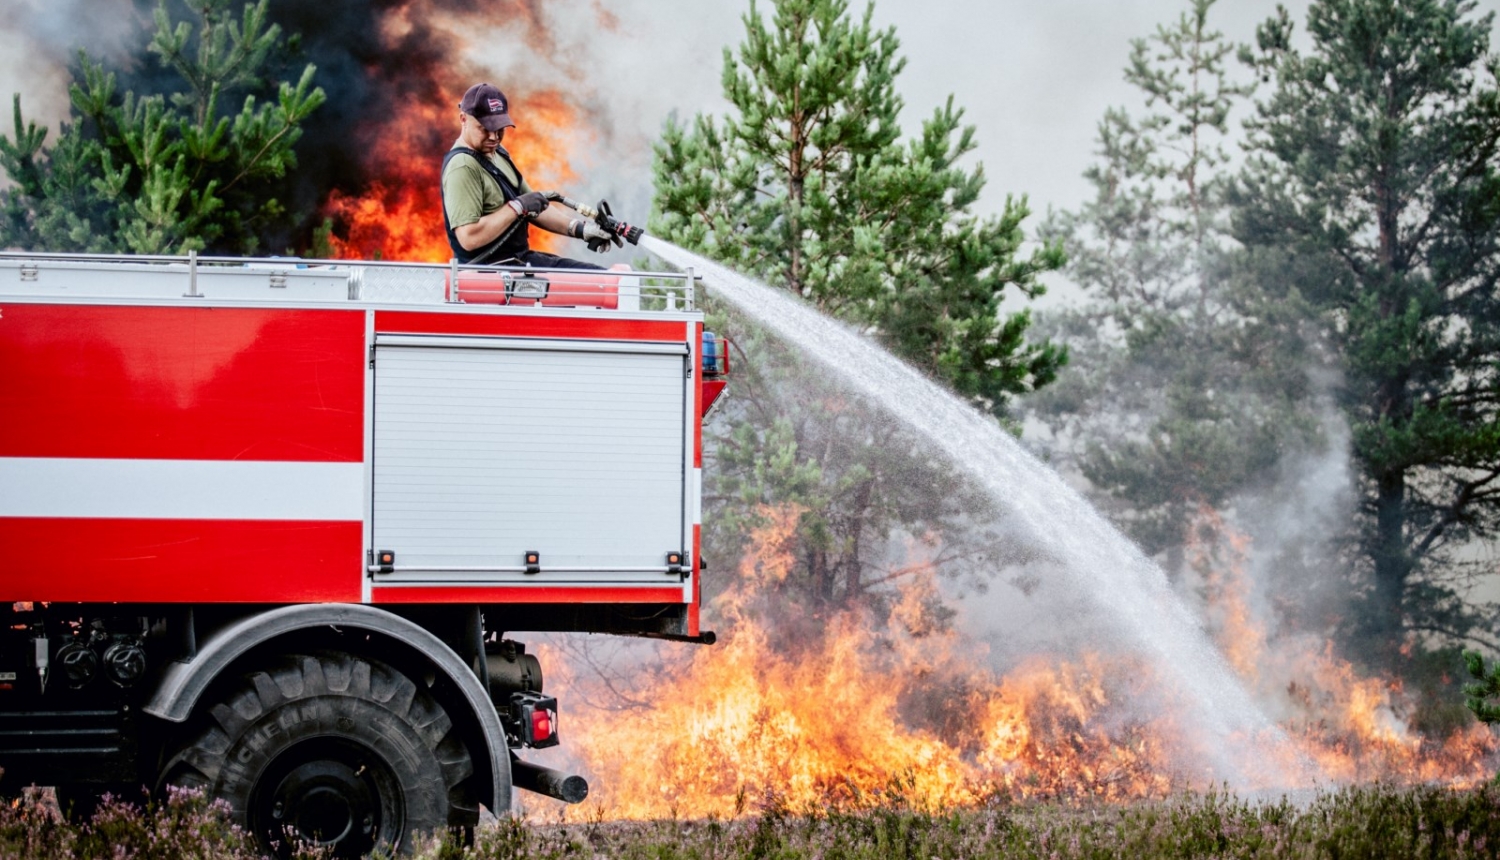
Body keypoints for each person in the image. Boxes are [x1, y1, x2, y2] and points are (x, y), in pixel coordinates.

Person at [441, 83, 612, 269]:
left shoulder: (498, 153)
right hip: (488, 276)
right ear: (463, 119)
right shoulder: (463, 166)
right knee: (600, 284)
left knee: (602, 278)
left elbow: (535, 205)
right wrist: (516, 207)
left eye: (499, 128)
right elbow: (469, 237)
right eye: (484, 128)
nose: (493, 137)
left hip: (517, 262)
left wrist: (582, 229)